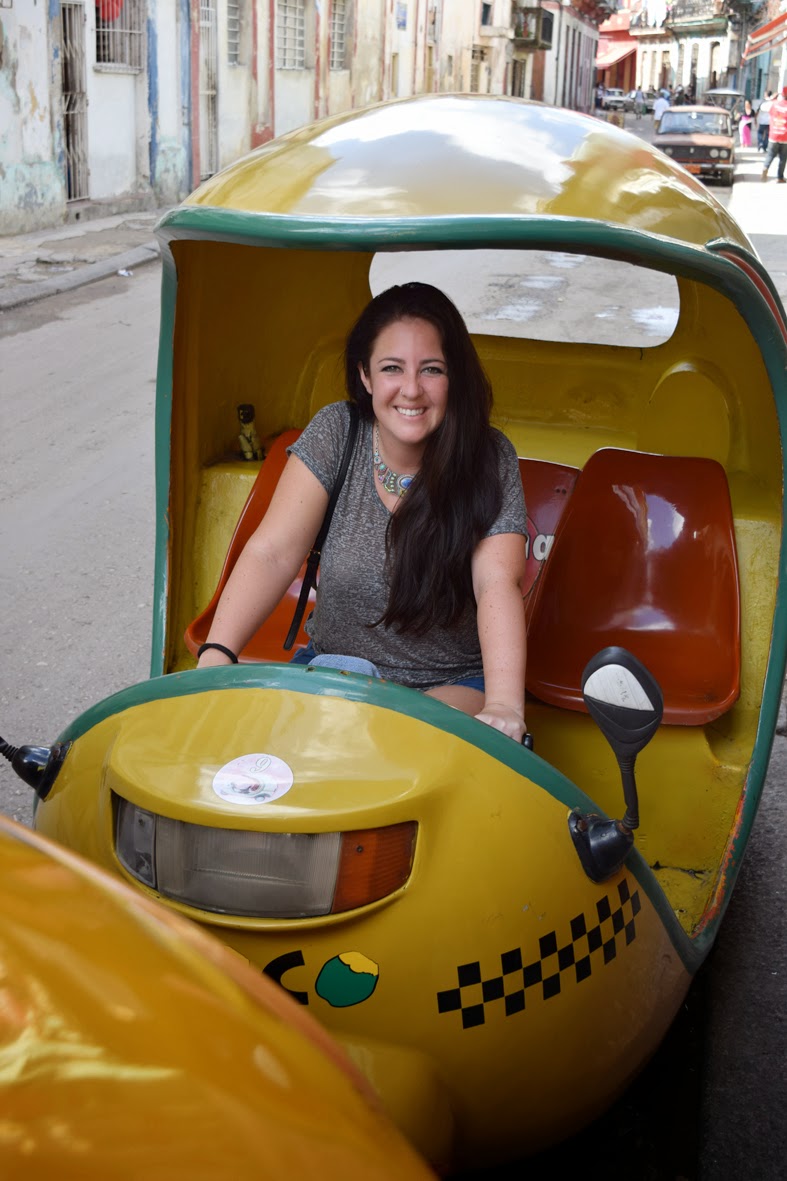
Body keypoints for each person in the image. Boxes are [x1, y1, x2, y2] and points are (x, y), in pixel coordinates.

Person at [197, 282, 529, 742]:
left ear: (454, 377)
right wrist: (216, 656)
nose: (411, 390)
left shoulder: (489, 457)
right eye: (392, 368)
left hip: (448, 687)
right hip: (334, 674)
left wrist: (505, 707)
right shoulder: (337, 431)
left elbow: (496, 582)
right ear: (366, 376)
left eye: (431, 370)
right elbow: (272, 553)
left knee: (396, 745)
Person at [762, 86, 787, 182]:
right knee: (783, 158)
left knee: (770, 154)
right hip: (785, 136)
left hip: (774, 135)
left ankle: (765, 167)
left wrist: (772, 98)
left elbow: (763, 107)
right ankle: (779, 177)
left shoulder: (774, 104)